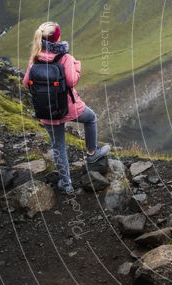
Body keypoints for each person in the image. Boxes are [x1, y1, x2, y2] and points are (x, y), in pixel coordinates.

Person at [22, 21, 109, 194]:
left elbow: (26, 83)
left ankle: (66, 184)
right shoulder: (65, 58)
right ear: (57, 38)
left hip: (46, 111)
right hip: (68, 107)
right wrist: (77, 66)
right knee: (91, 118)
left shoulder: (35, 58)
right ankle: (92, 153)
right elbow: (72, 81)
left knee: (58, 146)